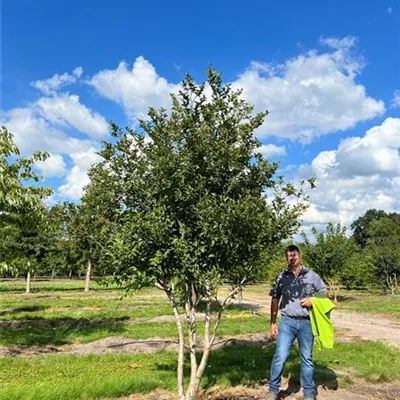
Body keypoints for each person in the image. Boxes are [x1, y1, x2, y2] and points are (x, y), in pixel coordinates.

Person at [267, 245, 327, 400]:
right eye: (289, 256)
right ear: (286, 258)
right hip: (287, 322)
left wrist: (313, 300)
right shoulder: (281, 277)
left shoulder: (311, 275)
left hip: (306, 323)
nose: (292, 258)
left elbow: (324, 291)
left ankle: (308, 394)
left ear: (299, 256)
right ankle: (273, 391)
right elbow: (275, 298)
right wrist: (273, 322)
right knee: (280, 356)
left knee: (306, 358)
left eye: (294, 255)